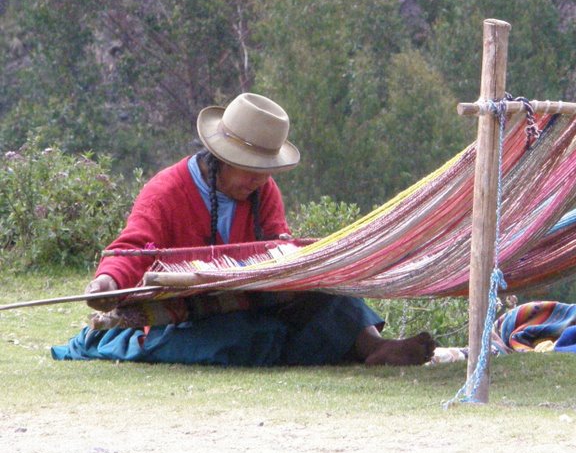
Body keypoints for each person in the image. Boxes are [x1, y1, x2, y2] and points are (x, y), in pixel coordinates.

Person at [52, 92, 436, 367]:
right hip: (195, 314)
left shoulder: (263, 192)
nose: (259, 181)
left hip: (255, 302)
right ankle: (329, 350)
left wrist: (299, 273)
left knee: (334, 299)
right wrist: (106, 282)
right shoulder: (166, 192)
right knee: (240, 338)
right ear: (221, 158)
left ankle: (374, 347)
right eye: (250, 170)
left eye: (265, 172)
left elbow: (277, 247)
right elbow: (133, 249)